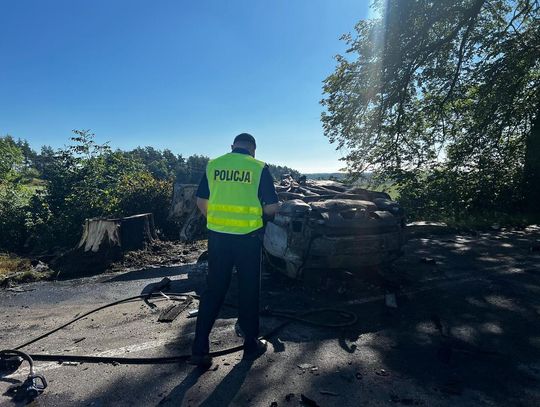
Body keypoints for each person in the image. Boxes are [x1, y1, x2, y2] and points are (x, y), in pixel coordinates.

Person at [189, 133, 279, 368]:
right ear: (253, 150)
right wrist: (259, 217)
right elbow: (272, 207)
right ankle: (250, 345)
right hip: (248, 239)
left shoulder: (214, 165)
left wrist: (218, 220)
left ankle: (199, 349)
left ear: (232, 147)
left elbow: (200, 201)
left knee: (214, 290)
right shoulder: (259, 167)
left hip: (218, 239)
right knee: (249, 289)